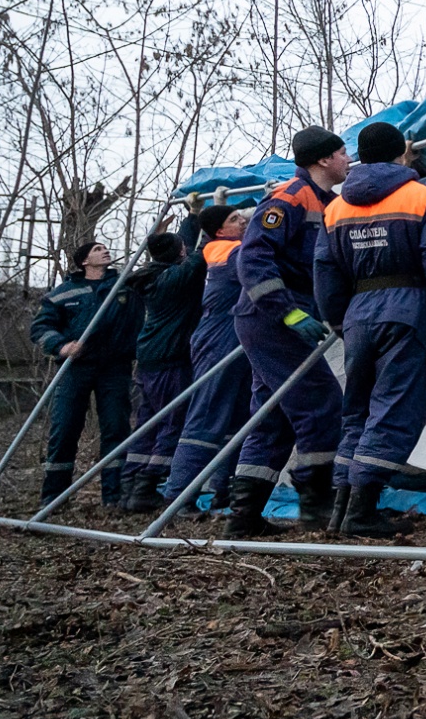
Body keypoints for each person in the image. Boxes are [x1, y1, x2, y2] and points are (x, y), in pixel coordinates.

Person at [314, 121, 426, 536]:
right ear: (402, 153)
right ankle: (362, 512)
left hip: (357, 317)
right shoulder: (419, 197)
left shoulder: (335, 208)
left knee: (358, 411)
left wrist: (339, 321)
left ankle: (340, 509)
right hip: (406, 311)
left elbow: (325, 272)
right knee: (394, 409)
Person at [226, 125, 350, 538]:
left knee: (273, 416)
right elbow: (253, 258)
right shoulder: (289, 198)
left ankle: (243, 519)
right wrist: (289, 314)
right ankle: (317, 505)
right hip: (270, 318)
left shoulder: (328, 202)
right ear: (322, 160)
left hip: (281, 317)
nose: (348, 160)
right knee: (321, 401)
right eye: (342, 153)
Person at [28, 240, 145, 508]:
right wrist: (61, 345)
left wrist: (157, 238)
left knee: (116, 428)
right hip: (75, 369)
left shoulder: (124, 286)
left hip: (115, 368)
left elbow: (156, 267)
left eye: (105, 248)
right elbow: (40, 327)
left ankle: (114, 497)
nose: (104, 251)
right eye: (96, 250)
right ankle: (54, 498)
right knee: (65, 429)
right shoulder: (63, 293)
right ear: (84, 261)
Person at [159, 202, 255, 514]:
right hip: (219, 339)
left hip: (236, 337)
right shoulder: (224, 250)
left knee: (238, 417)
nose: (241, 221)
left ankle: (223, 491)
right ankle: (178, 496)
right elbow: (263, 258)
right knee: (207, 415)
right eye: (234, 218)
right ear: (218, 231)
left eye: (241, 216)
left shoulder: (225, 247)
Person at [119, 215, 208, 511]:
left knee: (148, 422)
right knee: (174, 421)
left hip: (148, 359)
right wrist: (211, 214)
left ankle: (130, 486)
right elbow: (201, 253)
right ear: (178, 252)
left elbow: (183, 249)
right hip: (170, 360)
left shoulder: (152, 274)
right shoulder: (174, 278)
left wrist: (192, 217)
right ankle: (148, 484)